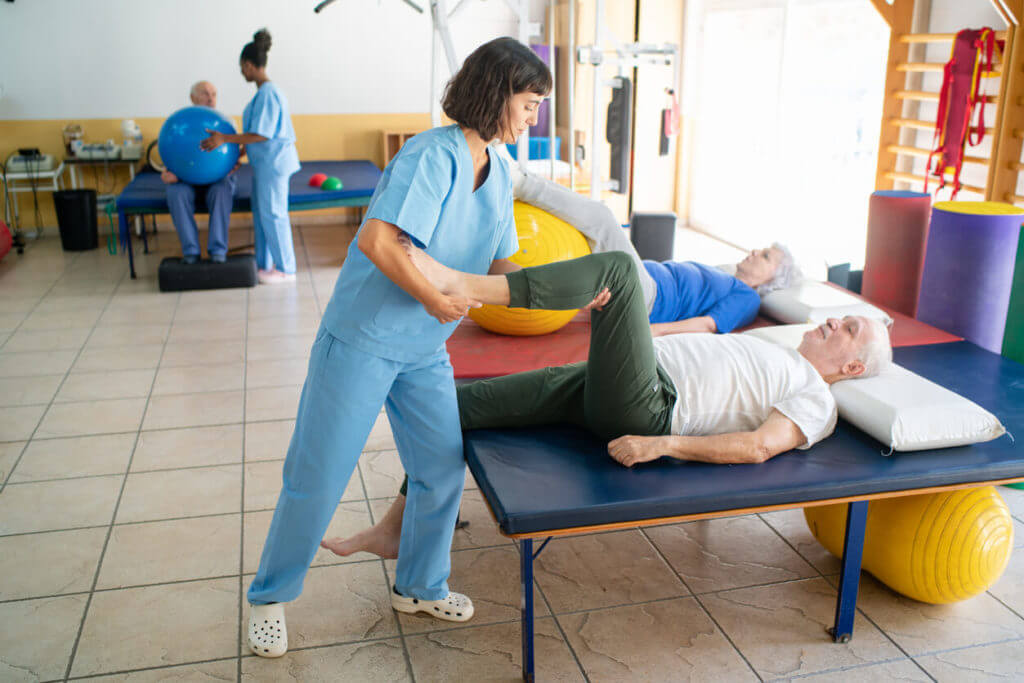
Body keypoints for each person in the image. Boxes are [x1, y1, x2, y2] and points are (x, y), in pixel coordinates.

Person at [240, 38, 594, 660]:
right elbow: (378, 242)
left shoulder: (500, 172)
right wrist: (434, 298)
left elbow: (503, 263)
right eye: (530, 103)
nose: (534, 116)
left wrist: (570, 294)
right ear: (497, 92)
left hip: (425, 349)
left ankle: (419, 583)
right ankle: (270, 596)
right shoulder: (430, 156)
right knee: (317, 477)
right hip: (364, 339)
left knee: (438, 467)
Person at [322, 248, 891, 561]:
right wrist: (626, 331)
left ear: (853, 368)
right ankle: (397, 529)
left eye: (848, 327)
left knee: (618, 268)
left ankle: (466, 286)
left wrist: (659, 445)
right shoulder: (775, 348)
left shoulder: (817, 399)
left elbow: (758, 447)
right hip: (612, 381)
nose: (833, 320)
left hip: (649, 406)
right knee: (456, 404)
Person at [495, 149, 799, 336]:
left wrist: (649, 333)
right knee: (583, 233)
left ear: (772, 279)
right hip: (642, 282)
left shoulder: (748, 298)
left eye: (767, 257)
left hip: (647, 299)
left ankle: (520, 181)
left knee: (601, 218)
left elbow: (708, 325)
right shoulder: (726, 273)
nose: (757, 252)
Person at [201, 29, 299, 285]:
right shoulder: (263, 93)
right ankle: (264, 264)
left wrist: (224, 139)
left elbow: (262, 134)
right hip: (265, 164)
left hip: (273, 165)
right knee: (262, 213)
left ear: (248, 64)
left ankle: (286, 269)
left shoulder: (268, 93)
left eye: (241, 68)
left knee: (274, 214)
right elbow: (259, 135)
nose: (242, 72)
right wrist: (240, 149)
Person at [162, 80, 236, 264]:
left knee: (222, 189)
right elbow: (171, 153)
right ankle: (190, 251)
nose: (210, 98)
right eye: (205, 93)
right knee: (175, 192)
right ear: (193, 98)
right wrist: (167, 172)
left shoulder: (226, 123)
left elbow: (232, 156)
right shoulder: (181, 123)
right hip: (186, 179)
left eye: (214, 94)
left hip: (217, 178)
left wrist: (233, 166)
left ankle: (218, 251)